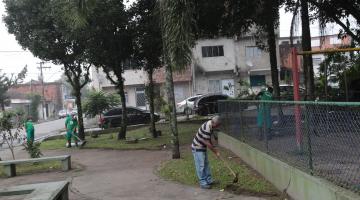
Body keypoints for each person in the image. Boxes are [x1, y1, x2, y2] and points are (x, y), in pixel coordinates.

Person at [192, 116, 221, 189]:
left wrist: (215, 148)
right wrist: (216, 152)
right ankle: (203, 183)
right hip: (197, 147)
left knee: (206, 164)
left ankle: (209, 180)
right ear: (214, 123)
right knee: (201, 165)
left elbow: (209, 139)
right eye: (217, 125)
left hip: (202, 147)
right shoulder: (207, 128)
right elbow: (207, 142)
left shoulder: (211, 125)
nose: (217, 127)